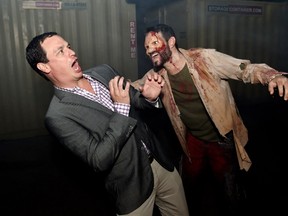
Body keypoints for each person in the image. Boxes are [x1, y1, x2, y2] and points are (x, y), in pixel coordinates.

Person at [25, 32, 189, 216]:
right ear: (44, 66)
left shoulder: (104, 71)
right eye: (61, 51)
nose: (72, 52)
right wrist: (120, 107)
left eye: (69, 46)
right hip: (131, 186)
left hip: (161, 163)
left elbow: (135, 100)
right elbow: (99, 160)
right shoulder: (58, 116)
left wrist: (149, 97)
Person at [132, 23, 288, 215]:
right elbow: (132, 88)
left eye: (154, 43)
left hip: (221, 139)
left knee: (229, 191)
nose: (149, 50)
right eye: (146, 47)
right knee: (189, 188)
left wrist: (272, 76)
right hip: (192, 141)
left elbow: (243, 69)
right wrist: (99, 86)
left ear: (171, 42)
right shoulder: (155, 77)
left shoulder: (204, 59)